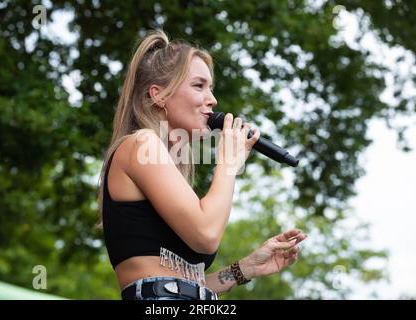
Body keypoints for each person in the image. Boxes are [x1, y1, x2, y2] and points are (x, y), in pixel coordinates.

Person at [97, 29, 307, 300]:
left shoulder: (166, 166)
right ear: (159, 95)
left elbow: (180, 285)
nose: (212, 99)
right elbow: (205, 234)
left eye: (211, 88)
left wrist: (245, 268)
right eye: (199, 86)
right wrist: (228, 163)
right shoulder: (140, 145)